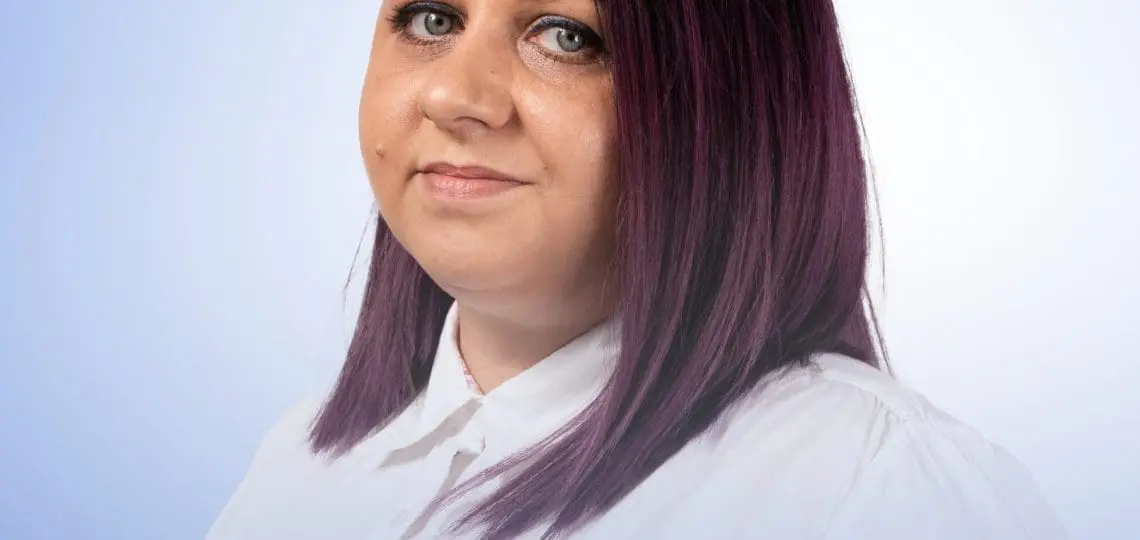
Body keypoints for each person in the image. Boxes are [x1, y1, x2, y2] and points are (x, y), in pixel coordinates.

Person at [207, 0, 1068, 538]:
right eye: (432, 20)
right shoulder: (299, 465)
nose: (454, 95)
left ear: (731, 105)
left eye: (565, 36)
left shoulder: (875, 488)